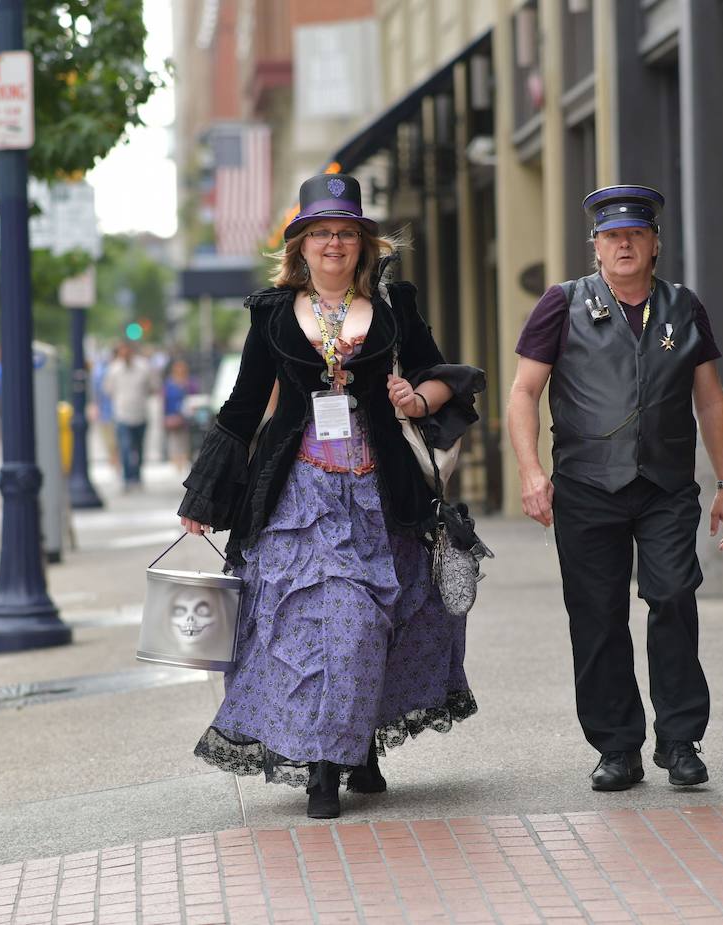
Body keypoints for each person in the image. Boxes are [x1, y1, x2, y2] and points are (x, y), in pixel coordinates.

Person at [177, 173, 483, 820]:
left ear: (364, 243)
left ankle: (358, 739)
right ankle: (324, 765)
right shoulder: (272, 314)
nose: (334, 244)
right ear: (302, 246)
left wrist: (415, 396)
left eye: (346, 233)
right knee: (308, 623)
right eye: (321, 234)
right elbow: (239, 409)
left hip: (379, 492)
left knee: (371, 625)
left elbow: (443, 381)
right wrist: (203, 494)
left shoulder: (395, 307)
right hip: (297, 493)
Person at [508, 185, 723, 792]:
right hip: (586, 488)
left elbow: (711, 398)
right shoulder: (562, 305)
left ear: (655, 243)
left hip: (665, 486)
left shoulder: (683, 307)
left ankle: (681, 740)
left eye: (636, 234)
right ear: (596, 248)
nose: (624, 245)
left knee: (672, 599)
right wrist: (532, 473)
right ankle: (616, 746)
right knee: (597, 617)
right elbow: (523, 393)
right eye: (612, 236)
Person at [101, 341, 158, 491]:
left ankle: (137, 476)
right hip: (122, 415)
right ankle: (128, 478)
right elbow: (107, 390)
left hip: (140, 414)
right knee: (125, 447)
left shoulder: (144, 367)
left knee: (139, 448)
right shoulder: (113, 369)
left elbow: (153, 387)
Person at [162, 358, 198, 471]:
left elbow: (195, 398)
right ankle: (176, 462)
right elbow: (165, 401)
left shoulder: (190, 382)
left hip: (187, 416)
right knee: (174, 440)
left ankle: (184, 460)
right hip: (172, 416)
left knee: (185, 440)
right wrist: (165, 415)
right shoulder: (169, 383)